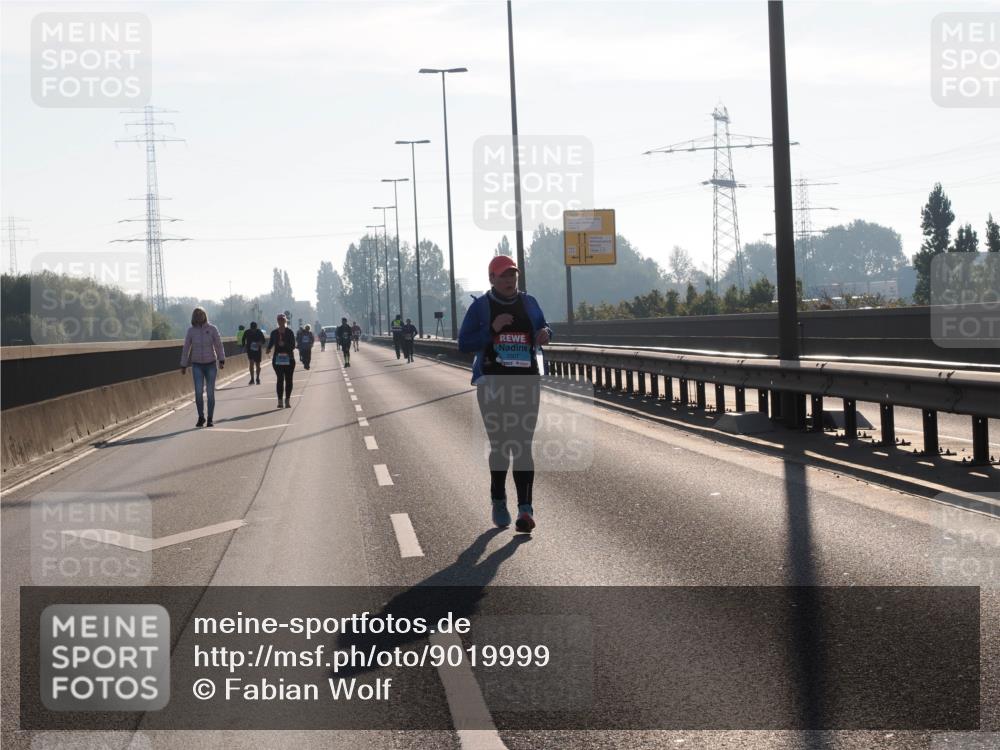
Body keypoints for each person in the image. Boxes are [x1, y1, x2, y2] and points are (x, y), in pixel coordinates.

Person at [458, 255, 551, 533]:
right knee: (500, 446)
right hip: (492, 383)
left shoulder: (529, 303)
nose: (510, 280)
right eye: (503, 276)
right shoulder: (480, 307)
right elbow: (464, 343)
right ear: (492, 279)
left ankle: (526, 509)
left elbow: (544, 326)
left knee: (522, 445)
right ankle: (498, 499)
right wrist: (492, 329)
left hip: (525, 383)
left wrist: (546, 332)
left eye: (513, 275)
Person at [180, 306, 226, 427]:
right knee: (198, 392)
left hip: (211, 364)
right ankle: (201, 417)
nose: (199, 316)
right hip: (197, 365)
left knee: (210, 393)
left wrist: (221, 359)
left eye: (201, 314)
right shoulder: (191, 331)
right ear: (194, 317)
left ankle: (210, 418)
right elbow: (186, 348)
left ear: (205, 315)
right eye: (197, 315)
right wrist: (183, 364)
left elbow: (218, 345)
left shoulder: (212, 329)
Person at [266, 313, 297, 408]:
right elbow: (271, 343)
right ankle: (280, 401)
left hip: (289, 359)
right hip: (277, 359)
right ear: (277, 321)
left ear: (285, 321)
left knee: (289, 380)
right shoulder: (274, 333)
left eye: (282, 320)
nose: (281, 321)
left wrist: (285, 344)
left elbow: (293, 346)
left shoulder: (290, 332)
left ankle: (287, 400)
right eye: (279, 320)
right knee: (280, 379)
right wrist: (268, 349)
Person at [243, 321, 265, 385]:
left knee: (257, 365)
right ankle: (252, 379)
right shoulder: (247, 332)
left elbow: (263, 340)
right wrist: (244, 345)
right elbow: (243, 339)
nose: (253, 330)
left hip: (257, 350)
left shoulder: (259, 332)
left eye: (254, 329)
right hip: (250, 350)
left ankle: (257, 378)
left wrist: (259, 343)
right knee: (251, 363)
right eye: (252, 329)